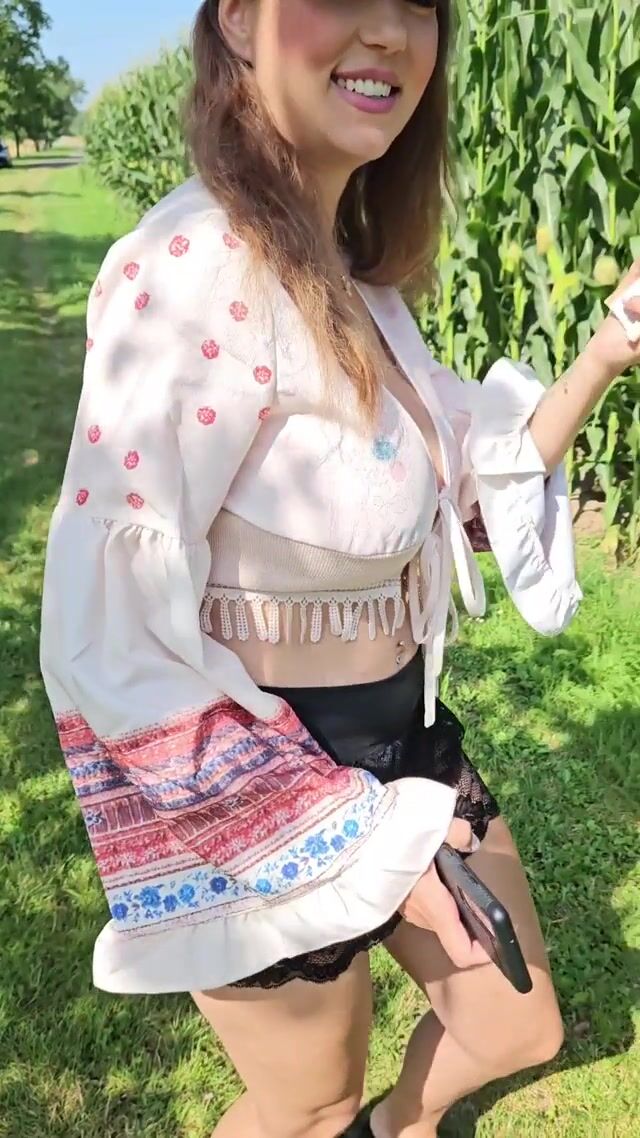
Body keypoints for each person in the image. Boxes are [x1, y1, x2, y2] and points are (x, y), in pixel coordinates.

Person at [39, 2, 640, 1136]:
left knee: (516, 1027)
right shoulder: (191, 268)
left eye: (415, 4)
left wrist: (613, 345)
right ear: (236, 21)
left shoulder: (359, 287)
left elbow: (471, 488)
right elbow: (107, 624)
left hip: (402, 741)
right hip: (257, 781)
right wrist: (353, 843)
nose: (388, 34)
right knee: (307, 1103)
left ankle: (399, 1126)